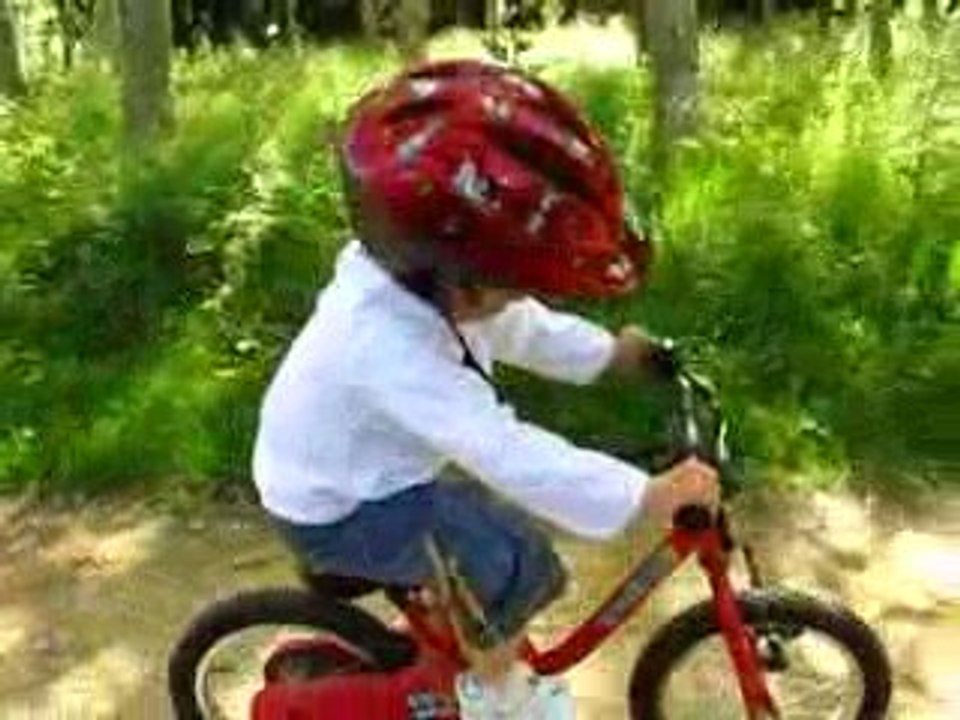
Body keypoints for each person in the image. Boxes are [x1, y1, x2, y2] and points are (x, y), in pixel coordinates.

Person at [253, 59, 720, 719]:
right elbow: (503, 449)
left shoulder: (424, 284)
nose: (520, 297)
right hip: (340, 507)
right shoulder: (385, 344)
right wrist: (646, 494)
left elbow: (518, 328)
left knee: (493, 544)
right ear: (456, 276)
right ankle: (492, 698)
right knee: (510, 562)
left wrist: (610, 355)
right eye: (512, 284)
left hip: (369, 476)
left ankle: (460, 646)